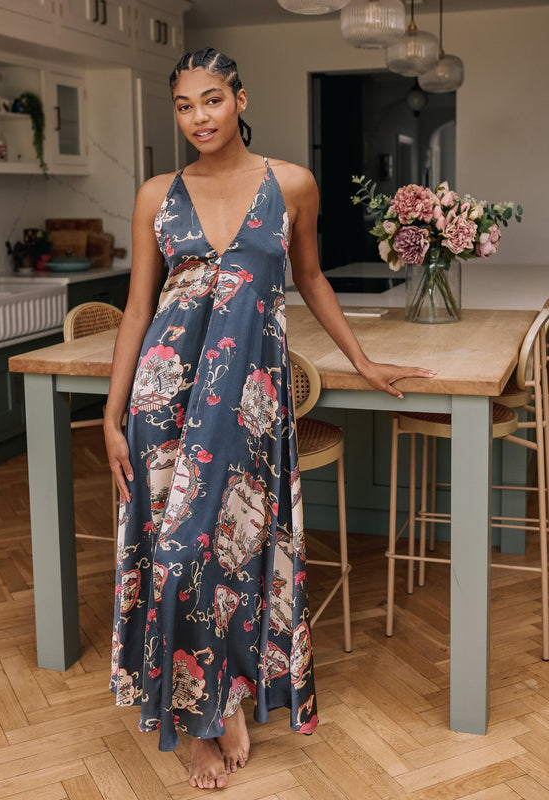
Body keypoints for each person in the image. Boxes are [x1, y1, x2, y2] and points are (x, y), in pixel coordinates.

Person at [104, 47, 436, 791]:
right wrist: (112, 411)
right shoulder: (157, 194)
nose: (199, 117)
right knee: (177, 554)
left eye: (212, 99)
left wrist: (362, 361)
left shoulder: (291, 184)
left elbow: (310, 279)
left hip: (249, 401)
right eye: (184, 106)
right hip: (164, 394)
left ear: (241, 99)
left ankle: (228, 695)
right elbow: (137, 306)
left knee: (235, 552)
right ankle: (206, 721)